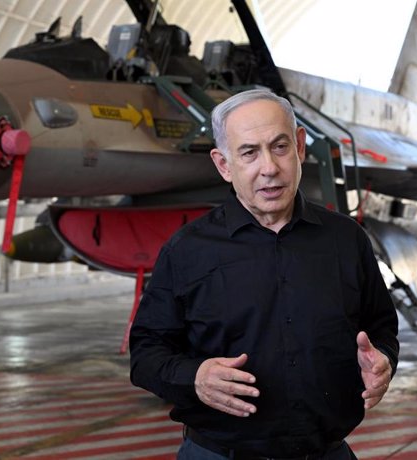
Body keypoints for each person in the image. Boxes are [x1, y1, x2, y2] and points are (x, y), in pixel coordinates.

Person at [130, 89, 399, 459]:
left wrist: (383, 359)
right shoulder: (187, 250)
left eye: (280, 147)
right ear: (224, 164)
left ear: (300, 147)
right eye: (249, 152)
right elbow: (146, 353)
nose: (269, 167)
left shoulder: (346, 239)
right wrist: (195, 377)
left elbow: (381, 327)